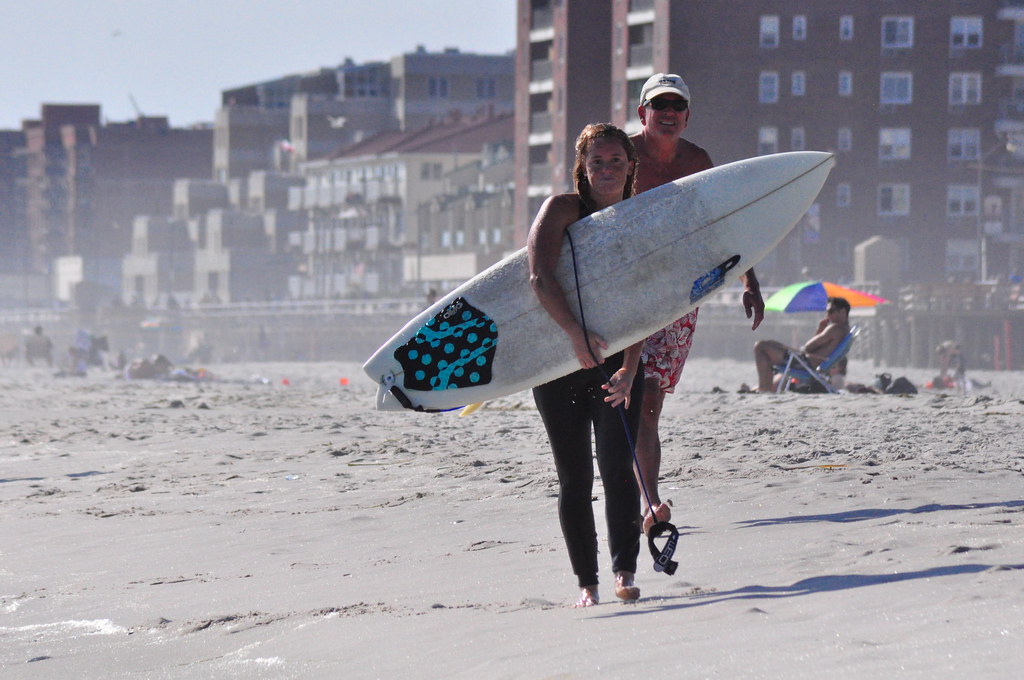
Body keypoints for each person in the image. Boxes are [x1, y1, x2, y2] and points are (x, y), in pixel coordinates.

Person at [629, 73, 765, 533]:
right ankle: (639, 498)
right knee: (625, 398)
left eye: (676, 106)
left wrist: (750, 281)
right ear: (641, 112)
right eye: (658, 105)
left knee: (650, 402)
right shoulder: (619, 157)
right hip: (624, 293)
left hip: (679, 296)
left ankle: (647, 503)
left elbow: (721, 226)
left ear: (686, 116)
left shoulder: (698, 162)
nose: (667, 113)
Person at [528, 123, 645, 607]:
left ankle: (623, 573)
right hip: (557, 361)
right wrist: (575, 336)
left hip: (616, 363)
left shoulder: (641, 218)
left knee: (617, 469)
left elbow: (651, 300)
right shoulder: (561, 209)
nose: (607, 169)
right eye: (597, 161)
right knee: (574, 478)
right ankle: (587, 585)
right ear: (582, 167)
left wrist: (632, 368)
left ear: (630, 165)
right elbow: (538, 277)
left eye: (616, 160)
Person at [753, 296, 851, 392]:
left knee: (760, 346)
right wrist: (821, 330)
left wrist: (820, 330)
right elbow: (818, 348)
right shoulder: (844, 329)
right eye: (827, 312)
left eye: (831, 311)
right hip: (806, 362)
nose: (827, 315)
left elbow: (809, 347)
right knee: (771, 343)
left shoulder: (835, 327)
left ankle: (764, 390)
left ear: (842, 311)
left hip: (802, 363)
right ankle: (765, 389)